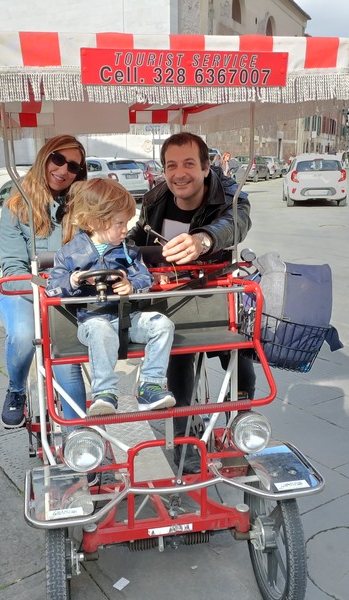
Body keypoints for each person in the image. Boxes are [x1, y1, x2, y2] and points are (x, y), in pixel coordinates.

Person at [127, 131, 256, 474]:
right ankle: (185, 440)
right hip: (171, 293)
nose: (179, 173)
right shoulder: (156, 199)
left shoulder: (230, 193)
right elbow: (137, 234)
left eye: (188, 164)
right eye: (171, 165)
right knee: (177, 356)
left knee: (239, 352)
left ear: (205, 167)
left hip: (216, 289)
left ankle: (242, 420)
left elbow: (236, 223)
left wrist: (203, 240)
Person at [46, 179, 176, 416]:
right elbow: (52, 287)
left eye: (126, 222)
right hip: (92, 320)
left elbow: (144, 278)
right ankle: (104, 392)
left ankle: (151, 384)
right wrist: (76, 279)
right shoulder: (69, 254)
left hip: (128, 317)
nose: (125, 229)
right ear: (94, 222)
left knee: (163, 324)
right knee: (101, 330)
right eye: (119, 223)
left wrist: (131, 285)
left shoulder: (128, 250)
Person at [0, 135, 88, 428]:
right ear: (45, 158)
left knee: (67, 362)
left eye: (73, 166)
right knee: (24, 335)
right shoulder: (16, 205)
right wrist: (43, 283)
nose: (63, 170)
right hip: (24, 289)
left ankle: (80, 438)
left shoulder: (81, 204)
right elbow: (12, 269)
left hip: (65, 292)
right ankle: (16, 389)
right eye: (58, 160)